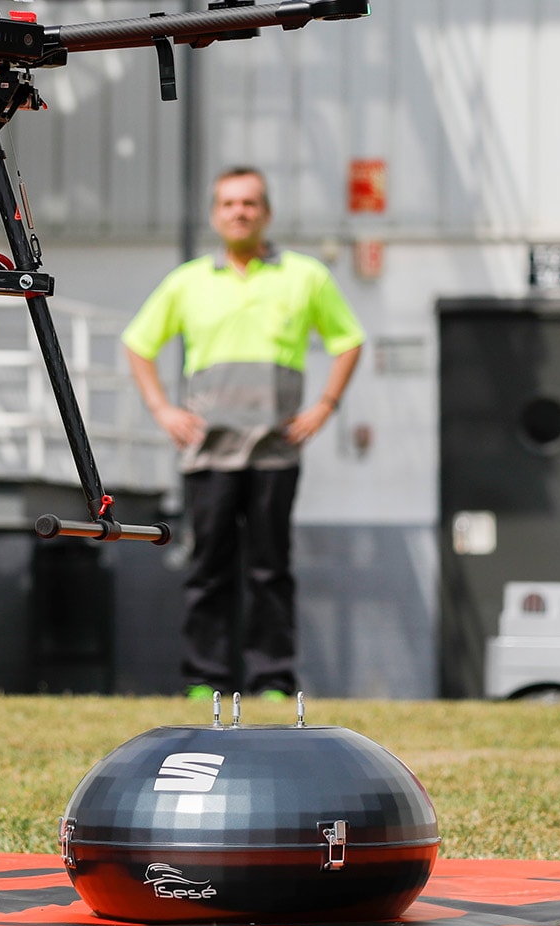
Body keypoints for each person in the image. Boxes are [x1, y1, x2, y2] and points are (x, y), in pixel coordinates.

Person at [122, 166, 364, 700]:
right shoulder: (187, 281)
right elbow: (138, 343)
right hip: (207, 456)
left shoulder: (306, 277)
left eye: (250, 203)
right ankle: (205, 680)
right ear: (215, 215)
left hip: (275, 453)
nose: (239, 212)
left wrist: (325, 405)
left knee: (270, 569)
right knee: (208, 569)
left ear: (267, 214)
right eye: (229, 204)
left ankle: (272, 681)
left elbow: (349, 340)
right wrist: (162, 409)